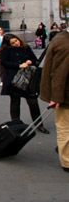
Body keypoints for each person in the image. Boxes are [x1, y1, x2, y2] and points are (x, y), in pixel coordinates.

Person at [0, 34, 49, 134]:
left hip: (28, 79)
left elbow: (35, 60)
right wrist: (19, 65)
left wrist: (31, 61)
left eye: (16, 41)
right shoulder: (5, 50)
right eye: (12, 43)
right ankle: (16, 124)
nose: (16, 44)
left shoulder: (26, 47)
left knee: (33, 102)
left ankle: (39, 124)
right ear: (8, 44)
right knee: (15, 102)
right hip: (14, 79)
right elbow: (4, 63)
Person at [40, 29, 69, 172]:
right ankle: (67, 162)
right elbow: (59, 74)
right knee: (65, 128)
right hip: (65, 96)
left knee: (65, 128)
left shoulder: (62, 38)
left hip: (64, 95)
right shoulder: (65, 44)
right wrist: (55, 98)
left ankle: (64, 150)